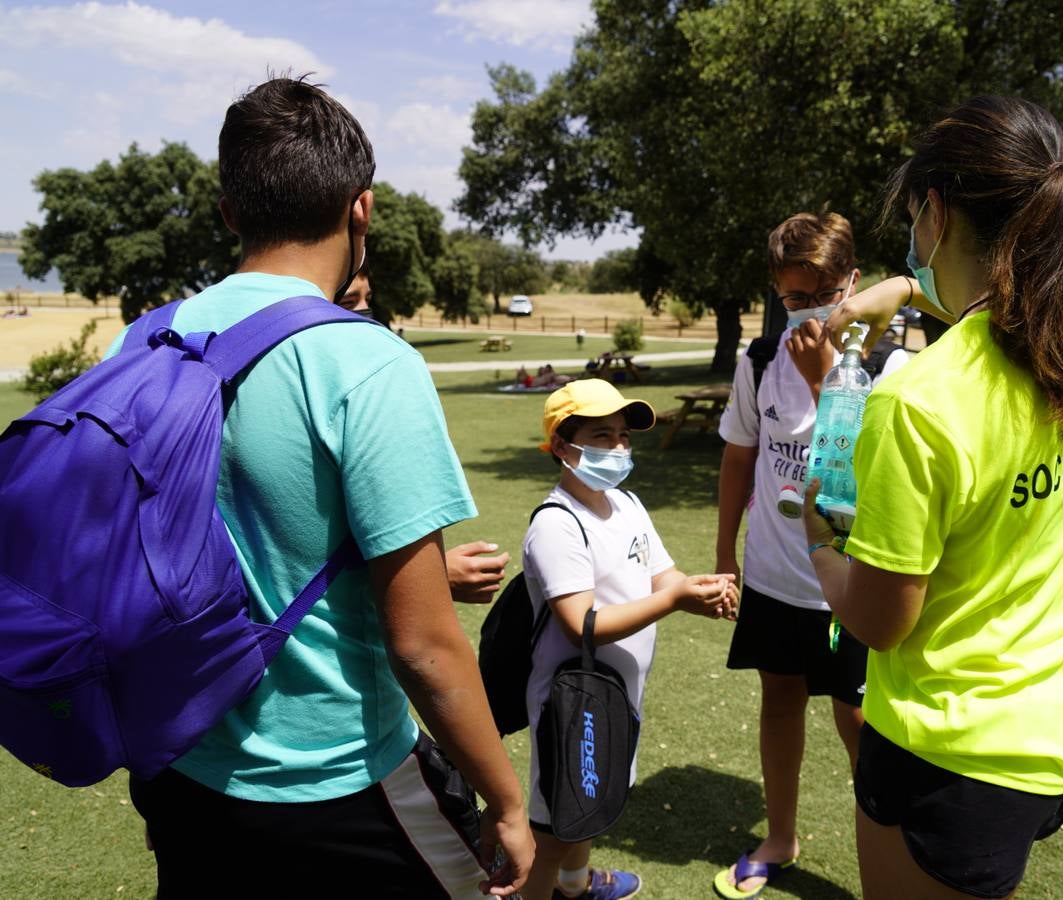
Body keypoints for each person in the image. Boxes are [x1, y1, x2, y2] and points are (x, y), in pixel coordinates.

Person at [121, 77, 532, 897]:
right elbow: (421, 645)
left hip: (178, 762)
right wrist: (509, 802)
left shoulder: (147, 338)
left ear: (231, 211)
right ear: (363, 209)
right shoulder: (367, 362)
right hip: (334, 779)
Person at [805, 96, 1063, 899]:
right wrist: (905, 295)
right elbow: (1007, 313)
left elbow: (880, 623)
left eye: (914, 215)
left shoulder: (919, 403)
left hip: (947, 753)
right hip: (1059, 729)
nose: (912, 238)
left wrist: (817, 540)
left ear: (937, 215)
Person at [713, 210, 908, 899]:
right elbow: (741, 458)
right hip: (773, 575)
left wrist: (829, 376)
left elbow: (867, 471)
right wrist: (725, 554)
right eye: (791, 298)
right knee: (779, 701)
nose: (806, 311)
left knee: (858, 720)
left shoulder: (892, 369)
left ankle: (888, 860)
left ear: (851, 282)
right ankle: (781, 835)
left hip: (849, 585)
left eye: (821, 293)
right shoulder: (760, 361)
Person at [520, 380, 737, 900]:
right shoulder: (558, 524)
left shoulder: (627, 504)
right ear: (560, 447)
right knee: (555, 820)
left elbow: (661, 575)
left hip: (616, 692)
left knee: (593, 796)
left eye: (622, 435)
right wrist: (675, 600)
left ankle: (575, 886)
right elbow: (582, 622)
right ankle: (538, 889)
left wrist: (698, 589)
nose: (618, 447)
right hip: (572, 699)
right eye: (601, 435)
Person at [336, 264, 510, 603]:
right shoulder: (384, 374)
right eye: (348, 303)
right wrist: (437, 575)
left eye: (367, 300)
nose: (363, 314)